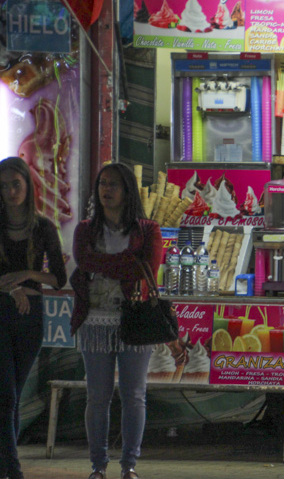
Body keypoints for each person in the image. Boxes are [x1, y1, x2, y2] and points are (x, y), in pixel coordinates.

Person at [70, 164, 163, 479]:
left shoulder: (148, 229)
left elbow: (145, 268)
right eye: (102, 184)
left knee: (134, 394)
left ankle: (129, 466)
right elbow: (84, 261)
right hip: (93, 320)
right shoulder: (85, 229)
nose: (106, 190)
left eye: (113, 184)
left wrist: (108, 265)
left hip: (134, 320)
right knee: (98, 395)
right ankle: (98, 466)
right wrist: (124, 263)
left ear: (127, 191)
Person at [0, 157, 67, 479]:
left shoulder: (43, 226)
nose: (10, 191)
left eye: (16, 183)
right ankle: (13, 469)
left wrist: (26, 275)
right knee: (7, 396)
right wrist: (11, 289)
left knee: (10, 396)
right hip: (2, 309)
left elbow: (59, 277)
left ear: (27, 184)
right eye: (3, 186)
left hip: (31, 315)